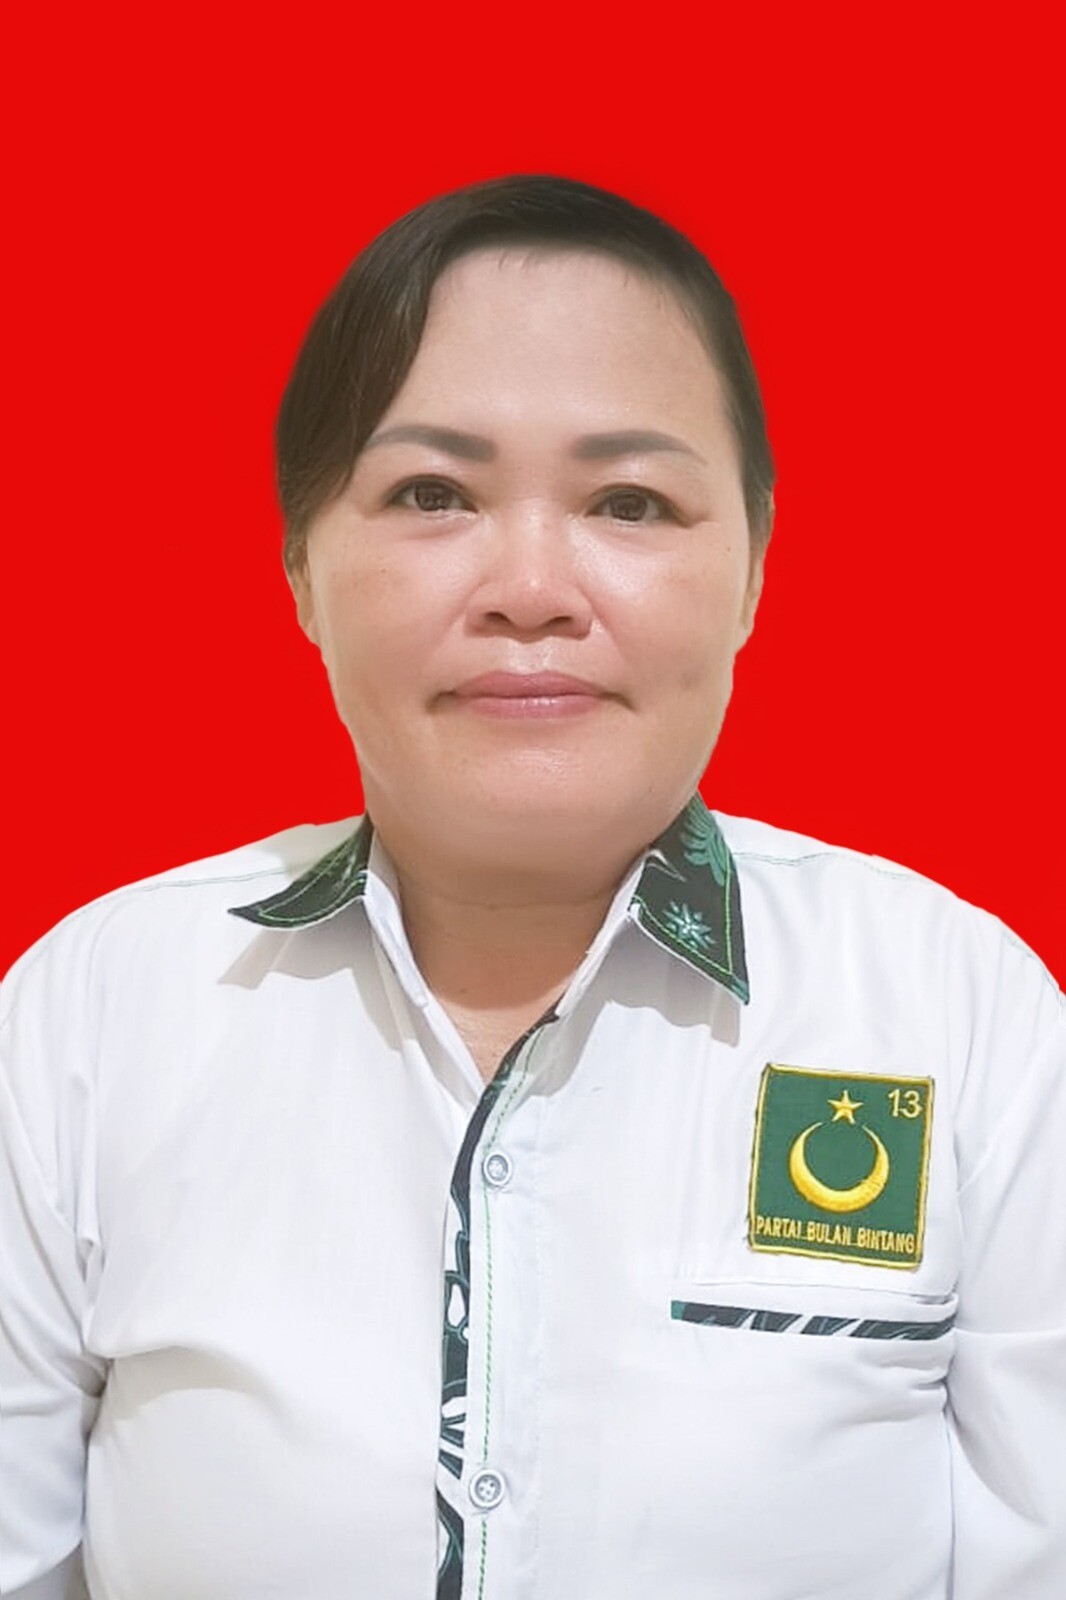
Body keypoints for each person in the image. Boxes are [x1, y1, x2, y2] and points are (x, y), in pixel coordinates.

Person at [1, 174, 1062, 1600]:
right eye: (432, 494)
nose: (532, 588)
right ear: (301, 564)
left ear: (753, 566)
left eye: (630, 501)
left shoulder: (961, 1012)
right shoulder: (91, 1012)